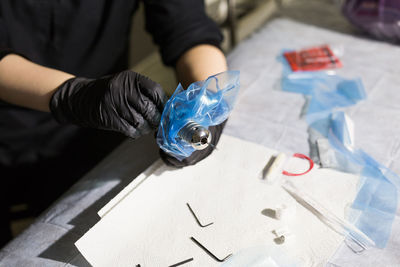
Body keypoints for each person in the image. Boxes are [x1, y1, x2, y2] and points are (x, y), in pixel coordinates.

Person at [0, 0, 228, 247]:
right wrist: (75, 95)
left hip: (102, 128)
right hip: (8, 138)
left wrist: (209, 102)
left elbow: (188, 25)